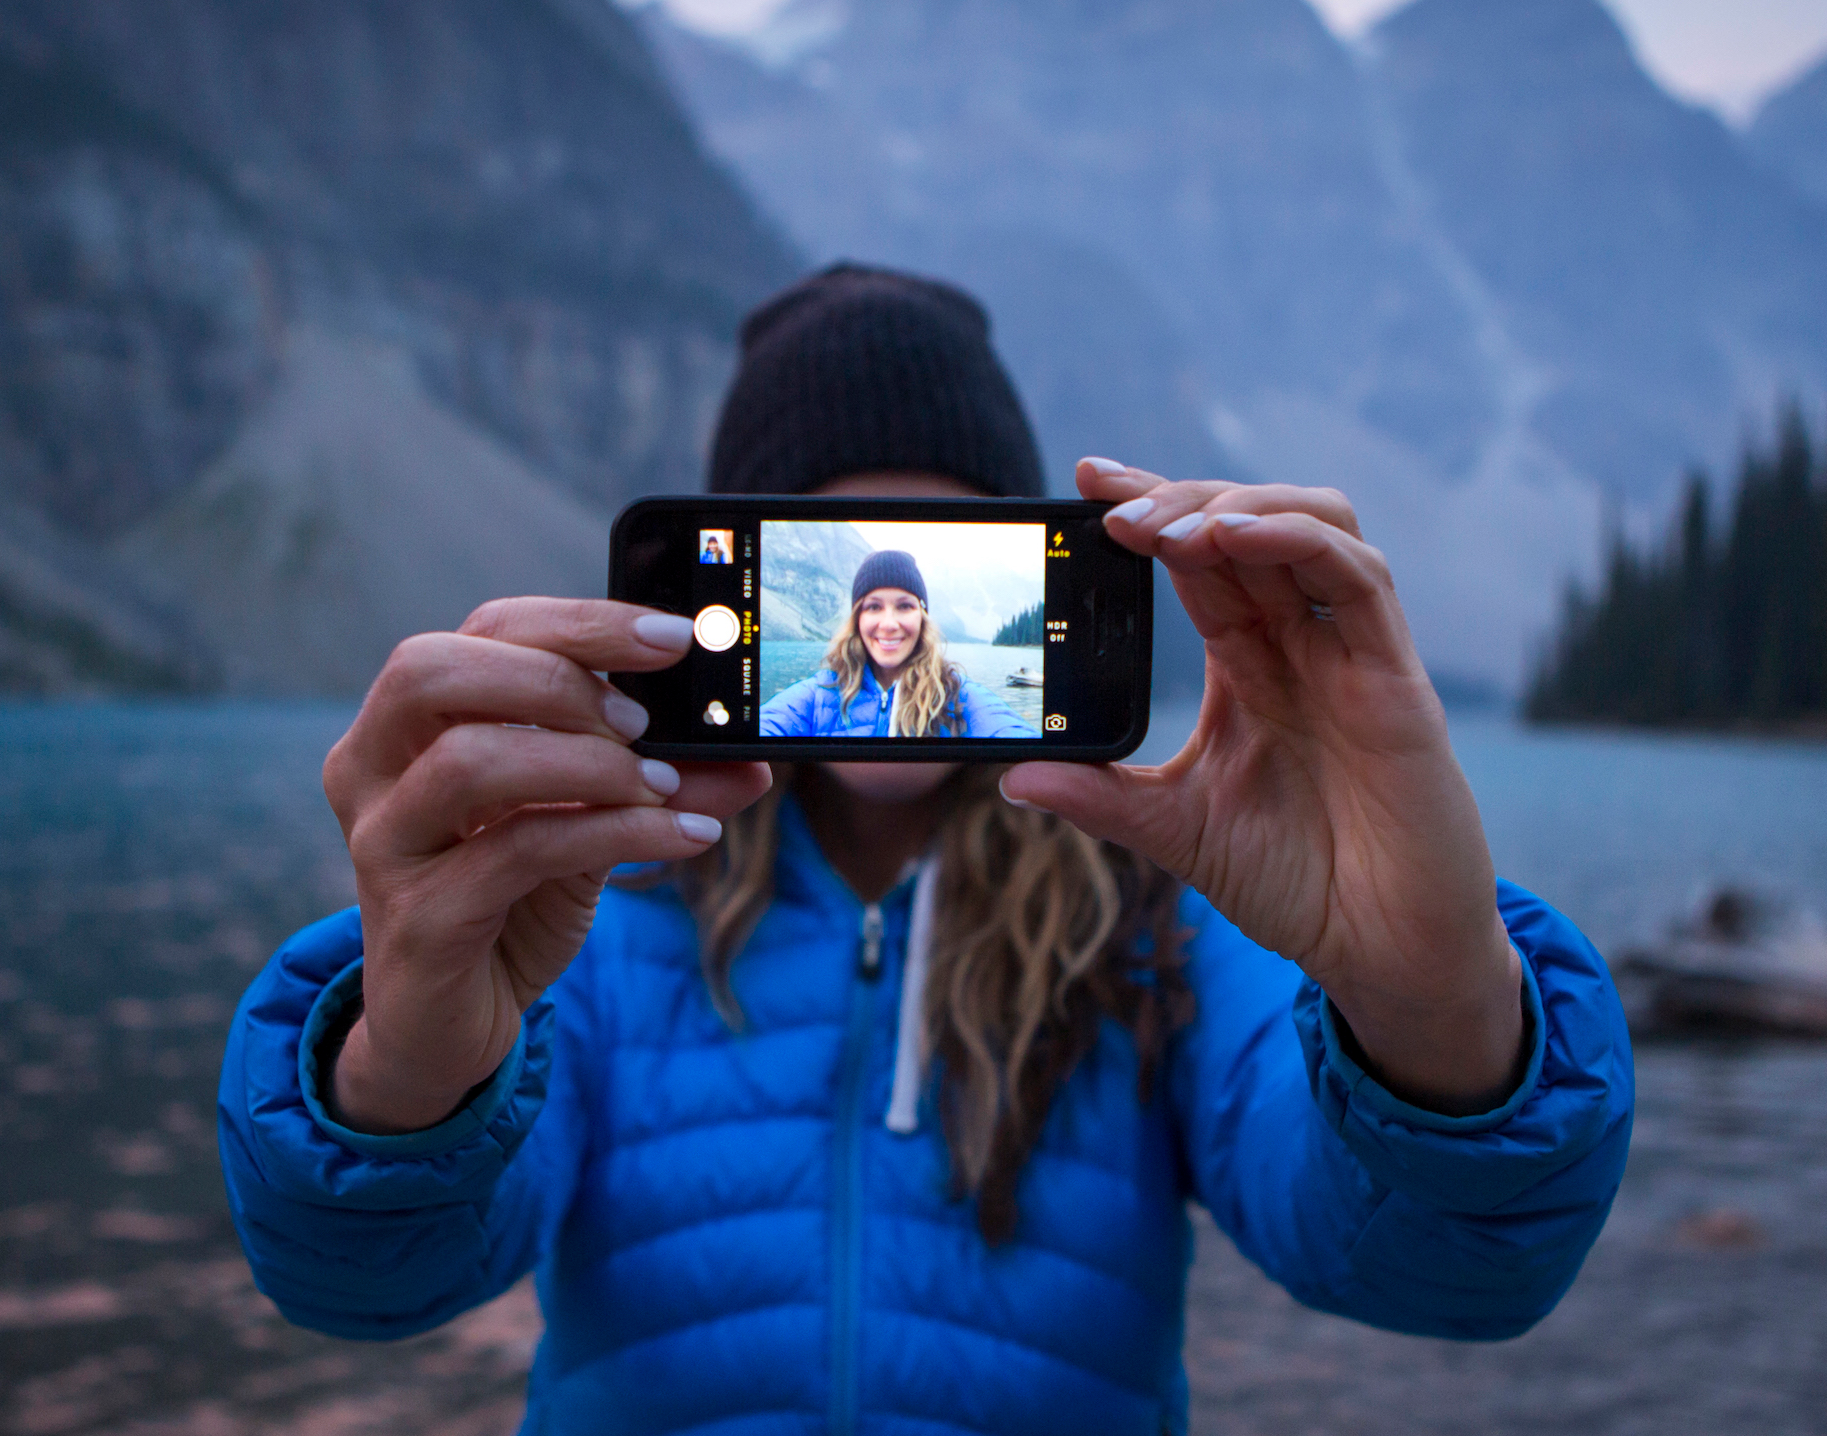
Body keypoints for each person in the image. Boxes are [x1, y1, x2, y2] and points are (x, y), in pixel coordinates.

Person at [219, 265, 1633, 1434]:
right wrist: (406, 1051)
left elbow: (1448, 1280)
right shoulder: (591, 893)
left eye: (930, 572)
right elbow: (364, 1286)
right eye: (835, 563)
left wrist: (1434, 999)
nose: (891, 616)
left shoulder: (1163, 914)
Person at [760, 549, 1036, 738]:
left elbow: (1009, 731)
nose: (889, 623)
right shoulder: (819, 693)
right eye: (873, 607)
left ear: (922, 618)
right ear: (857, 618)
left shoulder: (955, 694)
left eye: (904, 606)